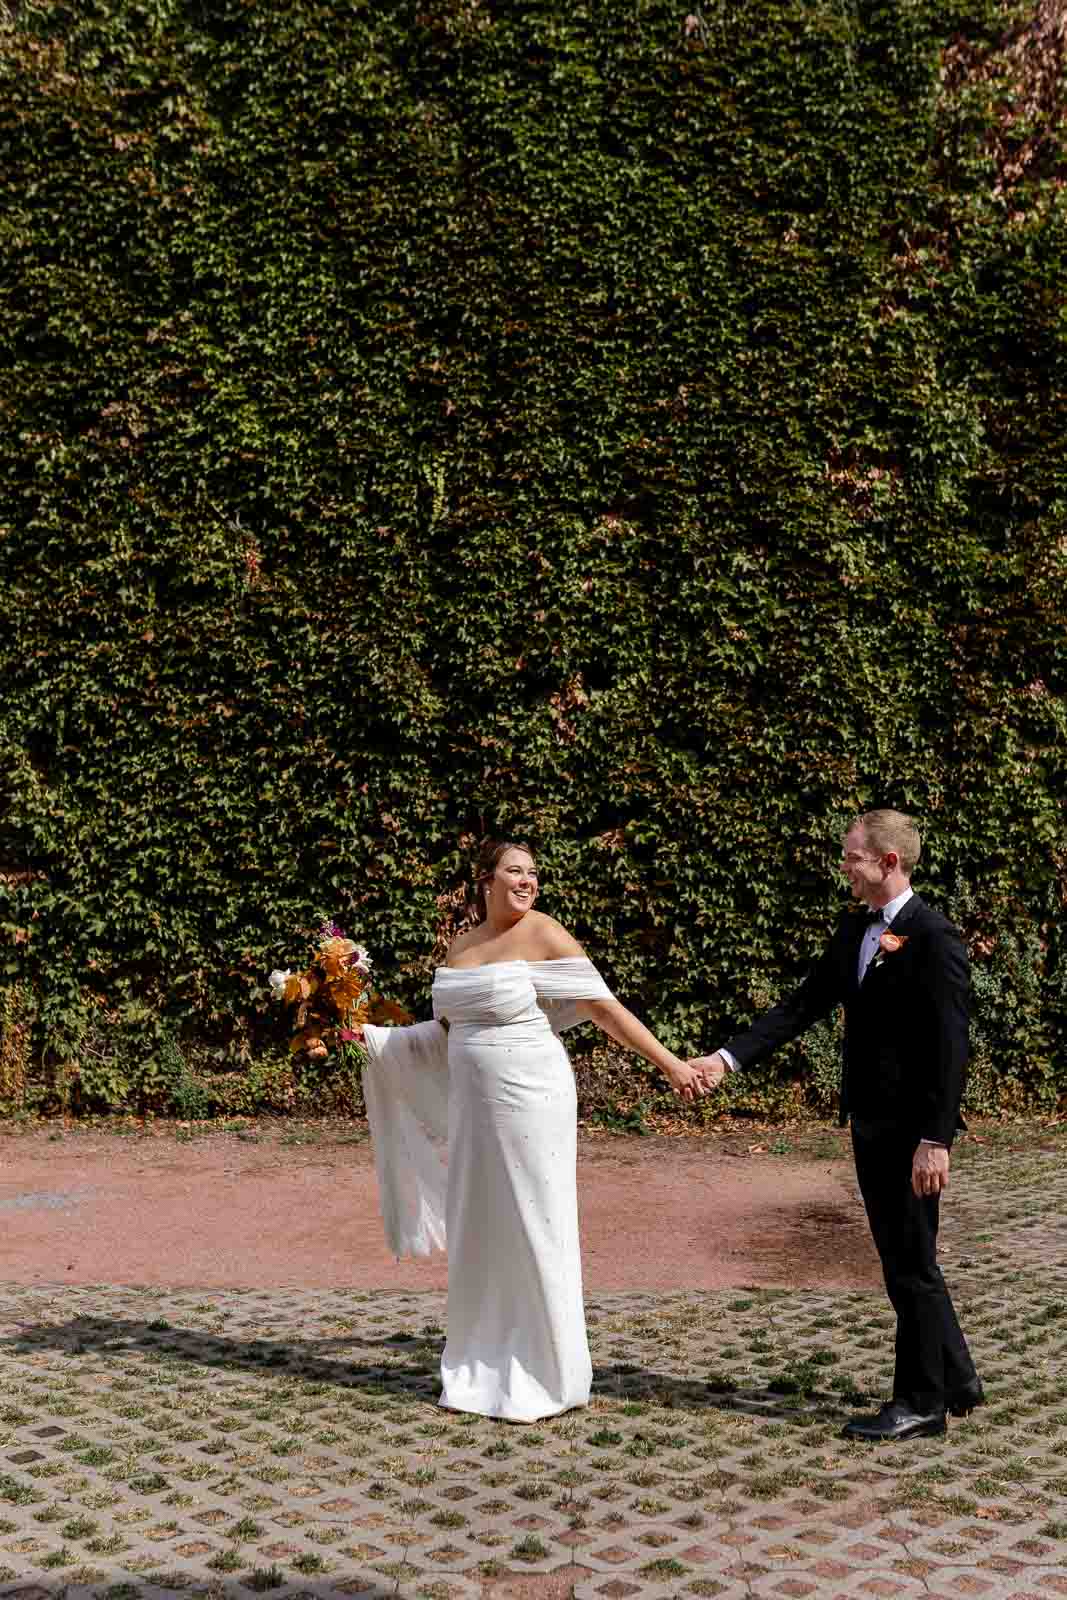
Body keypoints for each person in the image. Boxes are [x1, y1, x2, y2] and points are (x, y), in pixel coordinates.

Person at [362, 839, 702, 1423]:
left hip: (531, 1096)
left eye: (533, 873)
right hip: (474, 1106)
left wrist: (670, 1064)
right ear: (486, 880)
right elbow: (449, 1032)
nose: (527, 881)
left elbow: (603, 1008)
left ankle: (550, 1370)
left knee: (534, 1219)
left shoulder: (544, 932)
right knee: (480, 1222)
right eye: (514, 871)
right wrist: (369, 1039)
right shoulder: (461, 945)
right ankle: (484, 1361)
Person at [690, 809, 983, 1442]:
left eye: (852, 856)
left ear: (888, 861)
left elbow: (950, 1047)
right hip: (869, 1122)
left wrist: (936, 1139)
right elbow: (804, 1003)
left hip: (912, 1133)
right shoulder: (856, 928)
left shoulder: (935, 936)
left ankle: (921, 1403)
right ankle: (957, 1379)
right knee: (907, 1257)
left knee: (910, 1264)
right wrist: (727, 1058)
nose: (843, 866)